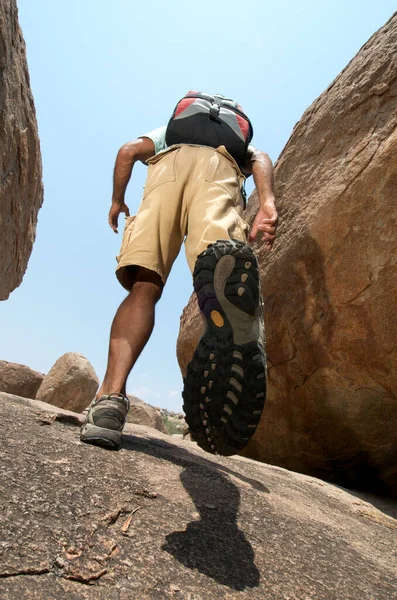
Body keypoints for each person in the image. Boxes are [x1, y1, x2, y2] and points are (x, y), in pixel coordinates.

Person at [80, 100, 278, 453]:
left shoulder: (172, 130)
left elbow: (128, 151)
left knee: (144, 286)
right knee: (223, 266)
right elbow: (259, 158)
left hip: (167, 170)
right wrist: (267, 202)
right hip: (221, 169)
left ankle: (108, 401)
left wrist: (117, 200)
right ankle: (240, 327)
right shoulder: (235, 136)